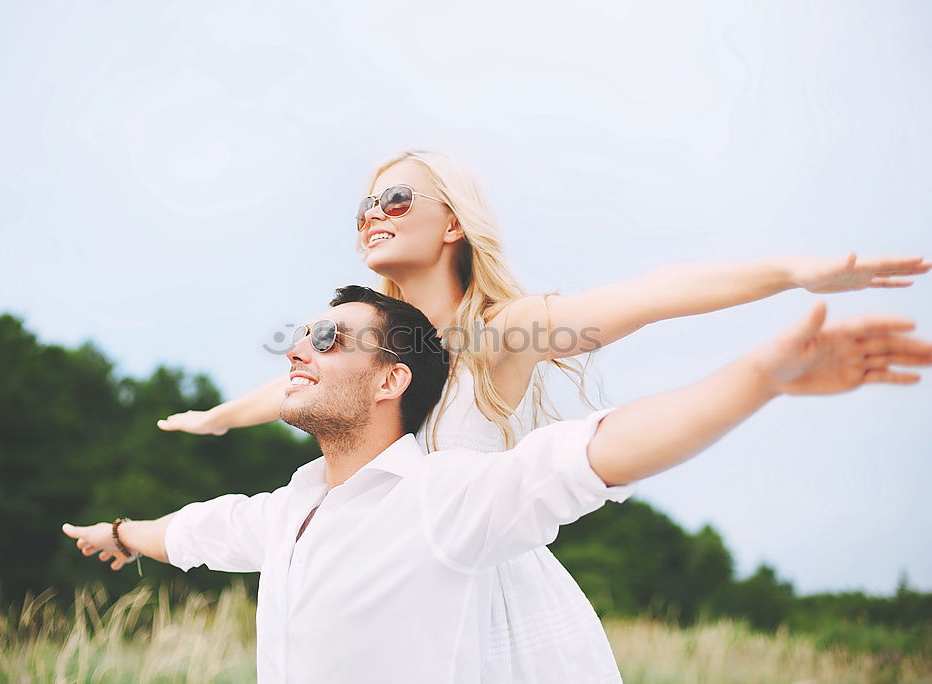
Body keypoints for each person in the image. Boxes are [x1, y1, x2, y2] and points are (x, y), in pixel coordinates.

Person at [157, 152, 930, 681]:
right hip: (389, 596)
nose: (372, 214)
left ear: (453, 223)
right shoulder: (367, 347)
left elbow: (650, 294)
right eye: (363, 204)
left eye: (396, 199)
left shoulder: (500, 330)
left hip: (486, 599)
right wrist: (217, 417)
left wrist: (794, 274)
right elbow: (284, 394)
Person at [65, 285, 932, 684]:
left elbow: (602, 450)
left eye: (329, 338)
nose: (298, 347)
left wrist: (759, 377)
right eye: (300, 333)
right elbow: (192, 531)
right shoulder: (288, 511)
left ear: (389, 382)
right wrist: (118, 532)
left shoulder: (445, 502)